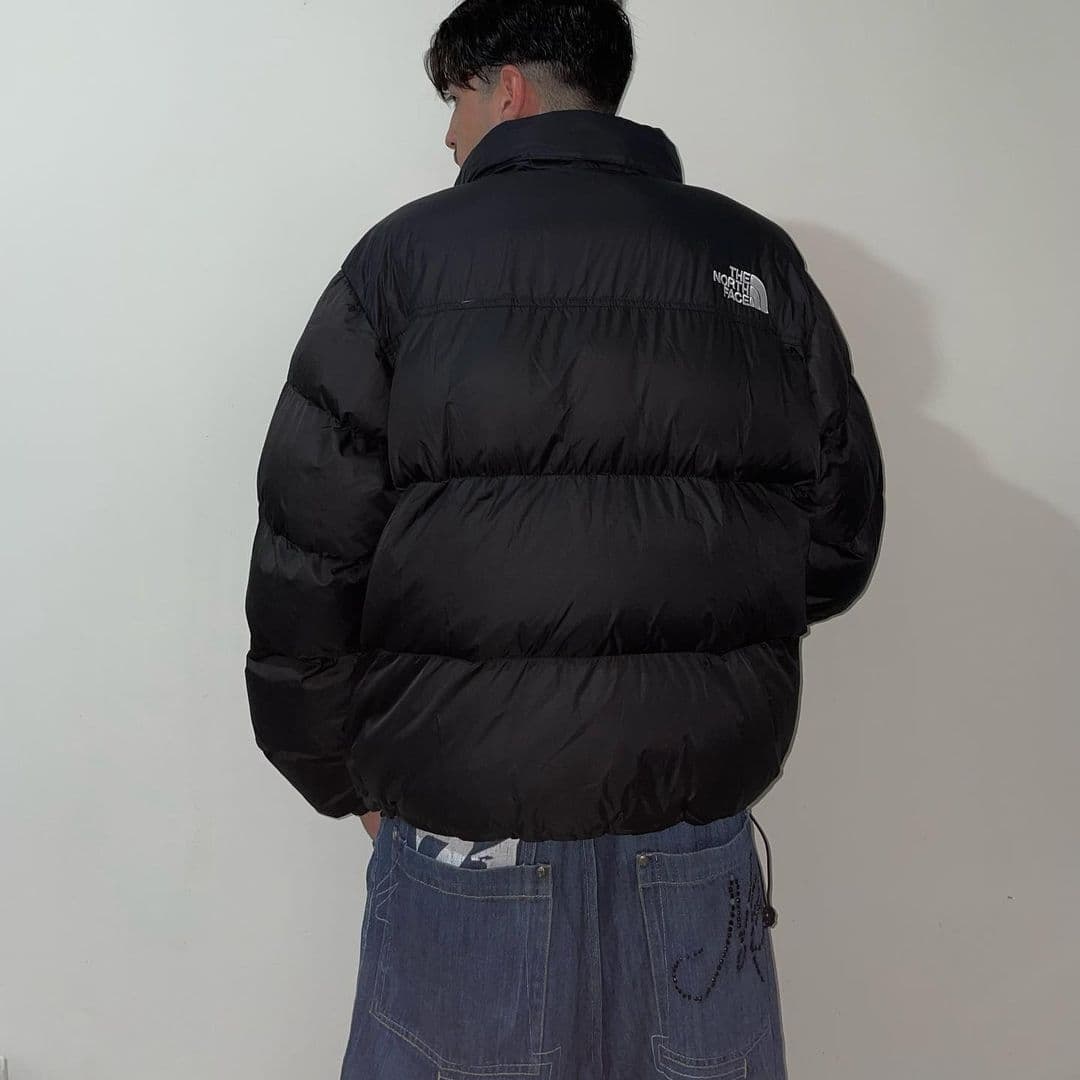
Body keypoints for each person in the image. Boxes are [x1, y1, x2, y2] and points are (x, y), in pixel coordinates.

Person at [242, 1, 885, 1076]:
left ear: (507, 88)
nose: (449, 133)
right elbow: (835, 543)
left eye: (453, 98)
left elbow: (309, 553)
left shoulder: (401, 264)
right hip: (691, 832)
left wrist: (337, 777)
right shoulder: (752, 260)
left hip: (466, 832)